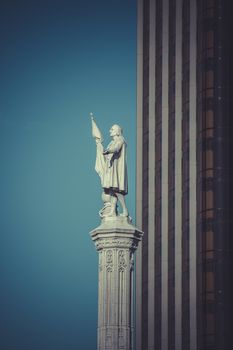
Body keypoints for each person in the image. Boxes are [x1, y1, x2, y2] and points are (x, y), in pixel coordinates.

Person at [91, 116, 129, 217]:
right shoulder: (111, 142)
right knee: (112, 190)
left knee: (117, 190)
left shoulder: (121, 139)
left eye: (112, 129)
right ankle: (112, 210)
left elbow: (116, 149)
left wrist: (108, 151)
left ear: (117, 132)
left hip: (116, 170)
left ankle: (125, 210)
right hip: (111, 168)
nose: (109, 131)